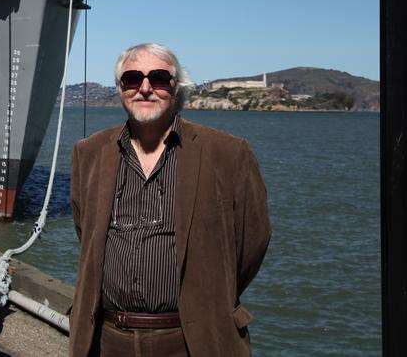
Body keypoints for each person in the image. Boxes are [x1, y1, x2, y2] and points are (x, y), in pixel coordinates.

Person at [69, 43, 271, 357]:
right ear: (121, 88)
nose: (145, 88)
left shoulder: (228, 153)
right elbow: (87, 233)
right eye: (132, 79)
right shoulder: (90, 152)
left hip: (190, 341)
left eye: (159, 78)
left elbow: (252, 243)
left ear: (176, 88)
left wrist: (211, 294)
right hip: (107, 341)